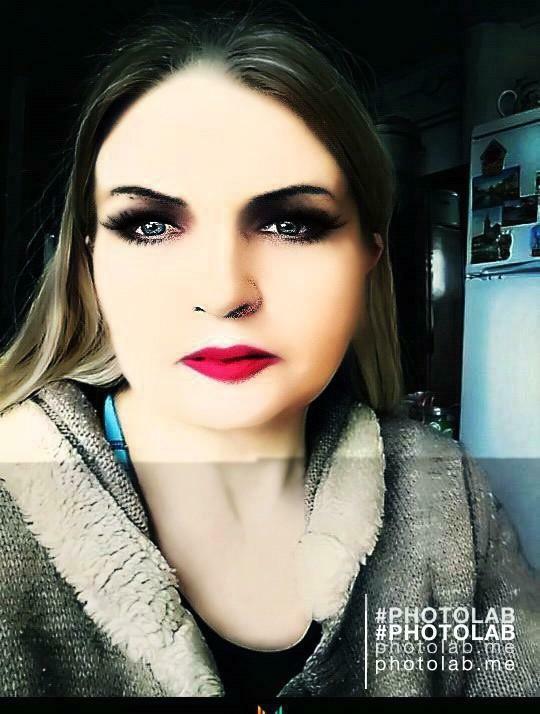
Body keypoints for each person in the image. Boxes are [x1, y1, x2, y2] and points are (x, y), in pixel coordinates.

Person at [0, 4, 538, 699]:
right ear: (89, 263)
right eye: (152, 225)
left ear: (367, 257)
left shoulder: (446, 494)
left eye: (291, 223)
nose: (225, 292)